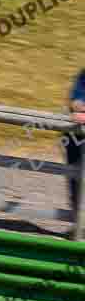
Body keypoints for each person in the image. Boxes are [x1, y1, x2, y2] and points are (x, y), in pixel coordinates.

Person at [67, 70, 85, 222]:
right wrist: (78, 107)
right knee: (75, 179)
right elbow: (76, 103)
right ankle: (77, 224)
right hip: (76, 139)